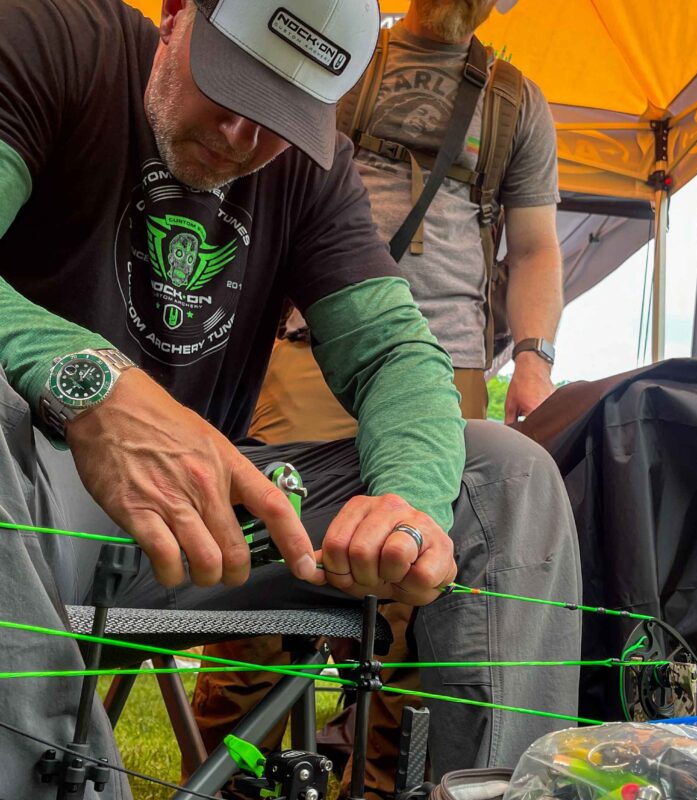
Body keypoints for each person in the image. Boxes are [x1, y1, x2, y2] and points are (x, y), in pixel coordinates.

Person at [0, 1, 580, 799]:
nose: (246, 137)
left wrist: (409, 498)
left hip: (198, 527)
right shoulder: (52, 43)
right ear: (174, 15)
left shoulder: (309, 165)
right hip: (25, 498)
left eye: (280, 115)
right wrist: (90, 381)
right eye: (230, 87)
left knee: (505, 475)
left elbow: (394, 353)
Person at [195, 2, 565, 795]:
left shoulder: (512, 99)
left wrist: (532, 355)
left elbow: (534, 245)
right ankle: (234, 775)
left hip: (452, 355)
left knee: (422, 598)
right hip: (312, 343)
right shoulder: (346, 55)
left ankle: (387, 781)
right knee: (260, 552)